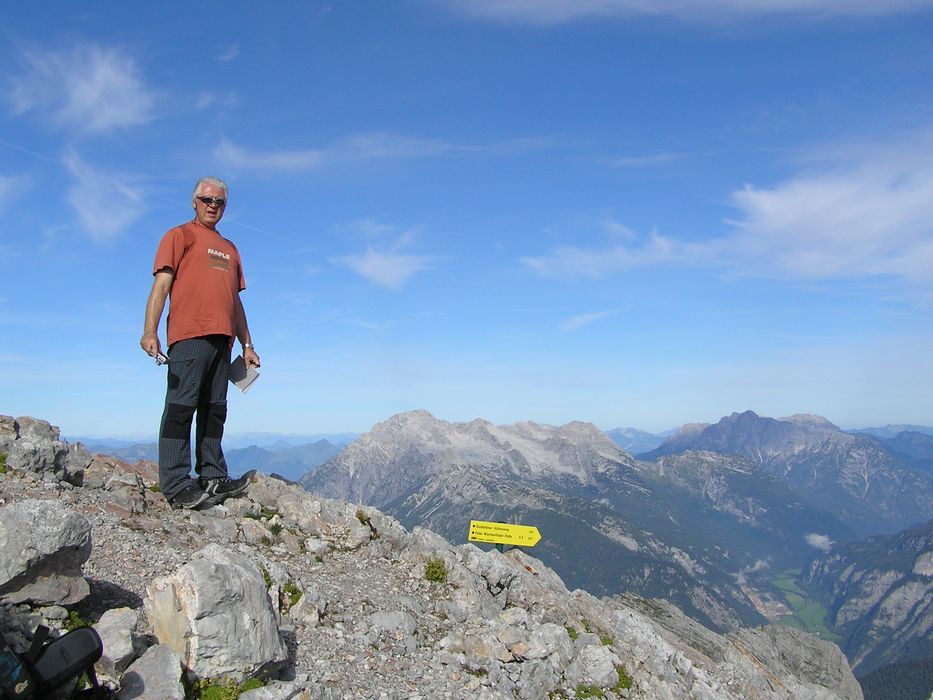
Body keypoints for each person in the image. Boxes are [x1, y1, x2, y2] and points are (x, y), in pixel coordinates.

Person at [140, 177, 260, 509]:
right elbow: (161, 284)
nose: (212, 206)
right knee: (181, 407)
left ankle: (213, 476)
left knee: (214, 409)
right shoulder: (179, 235)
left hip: (224, 340)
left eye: (219, 202)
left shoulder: (230, 248)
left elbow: (235, 301)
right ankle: (176, 484)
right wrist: (150, 330)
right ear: (194, 201)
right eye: (207, 199)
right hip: (189, 335)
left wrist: (247, 345)